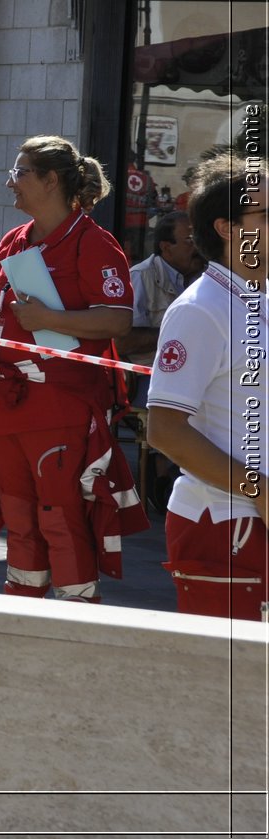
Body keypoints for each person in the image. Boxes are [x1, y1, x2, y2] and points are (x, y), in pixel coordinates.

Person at [0, 135, 145, 604]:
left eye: (21, 173)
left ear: (51, 180)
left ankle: (74, 632)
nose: (11, 183)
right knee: (20, 521)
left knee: (60, 518)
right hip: (3, 407)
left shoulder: (93, 242)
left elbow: (118, 319)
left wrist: (50, 319)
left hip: (60, 408)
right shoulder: (15, 240)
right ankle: (21, 625)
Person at [148, 156, 268, 619]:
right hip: (226, 523)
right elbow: (165, 430)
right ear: (228, 227)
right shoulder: (200, 310)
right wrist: (261, 492)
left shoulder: (260, 298)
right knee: (232, 687)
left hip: (249, 519)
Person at [122, 211, 205, 366]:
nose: (198, 248)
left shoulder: (208, 277)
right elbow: (124, 342)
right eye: (190, 241)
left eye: (200, 240)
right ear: (166, 247)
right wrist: (180, 333)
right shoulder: (141, 277)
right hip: (152, 373)